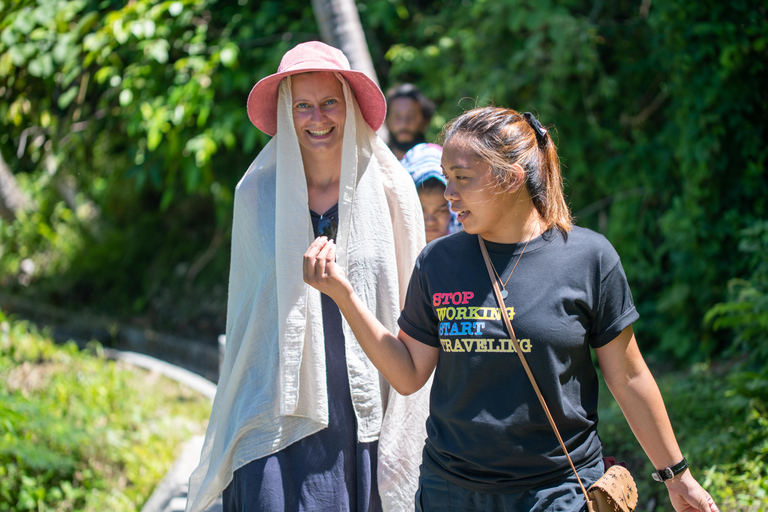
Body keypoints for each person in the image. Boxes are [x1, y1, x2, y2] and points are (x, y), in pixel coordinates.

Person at [303, 106, 720, 512]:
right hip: (451, 492)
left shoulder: (588, 258)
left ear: (511, 177)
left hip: (557, 492)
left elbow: (628, 377)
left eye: (462, 178)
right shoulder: (438, 262)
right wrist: (345, 296)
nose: (449, 195)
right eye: (447, 178)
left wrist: (677, 475)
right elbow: (408, 374)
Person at [185, 41, 430, 512]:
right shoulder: (256, 194)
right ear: (285, 111)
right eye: (303, 105)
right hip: (274, 413)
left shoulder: (391, 189)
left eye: (329, 102)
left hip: (364, 411)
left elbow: (409, 309)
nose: (317, 117)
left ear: (350, 105)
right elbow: (249, 321)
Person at [400, 142, 460, 243]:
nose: (430, 222)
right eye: (420, 210)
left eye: (441, 210)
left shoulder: (471, 247)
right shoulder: (389, 247)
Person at [384, 83, 435, 160]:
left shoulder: (437, 160)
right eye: (397, 117)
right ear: (387, 121)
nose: (403, 124)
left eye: (411, 116)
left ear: (425, 121)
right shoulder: (373, 161)